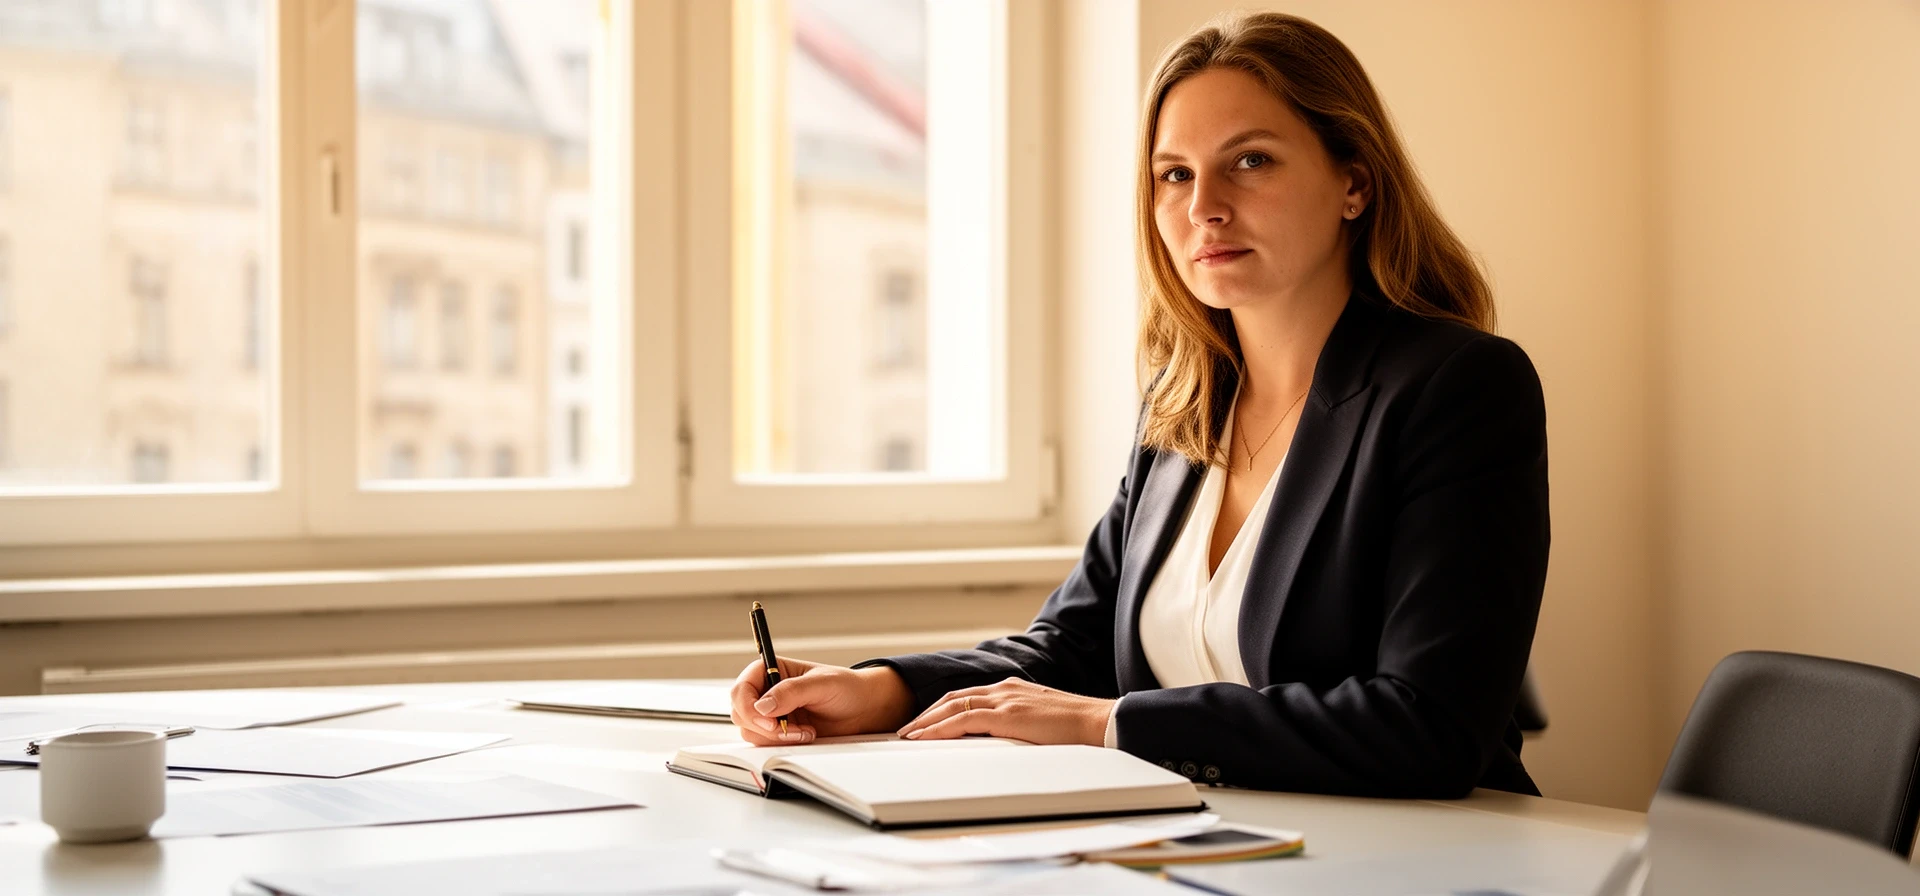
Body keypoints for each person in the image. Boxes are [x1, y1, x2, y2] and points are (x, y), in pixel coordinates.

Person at [728, 11, 1549, 799]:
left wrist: (1109, 724)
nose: (1203, 208)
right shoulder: (1182, 402)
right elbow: (1072, 645)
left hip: (1419, 857)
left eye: (1251, 161)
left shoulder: (1459, 388)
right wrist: (880, 690)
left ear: (1354, 184)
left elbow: (1430, 724)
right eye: (1175, 174)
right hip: (1213, 843)